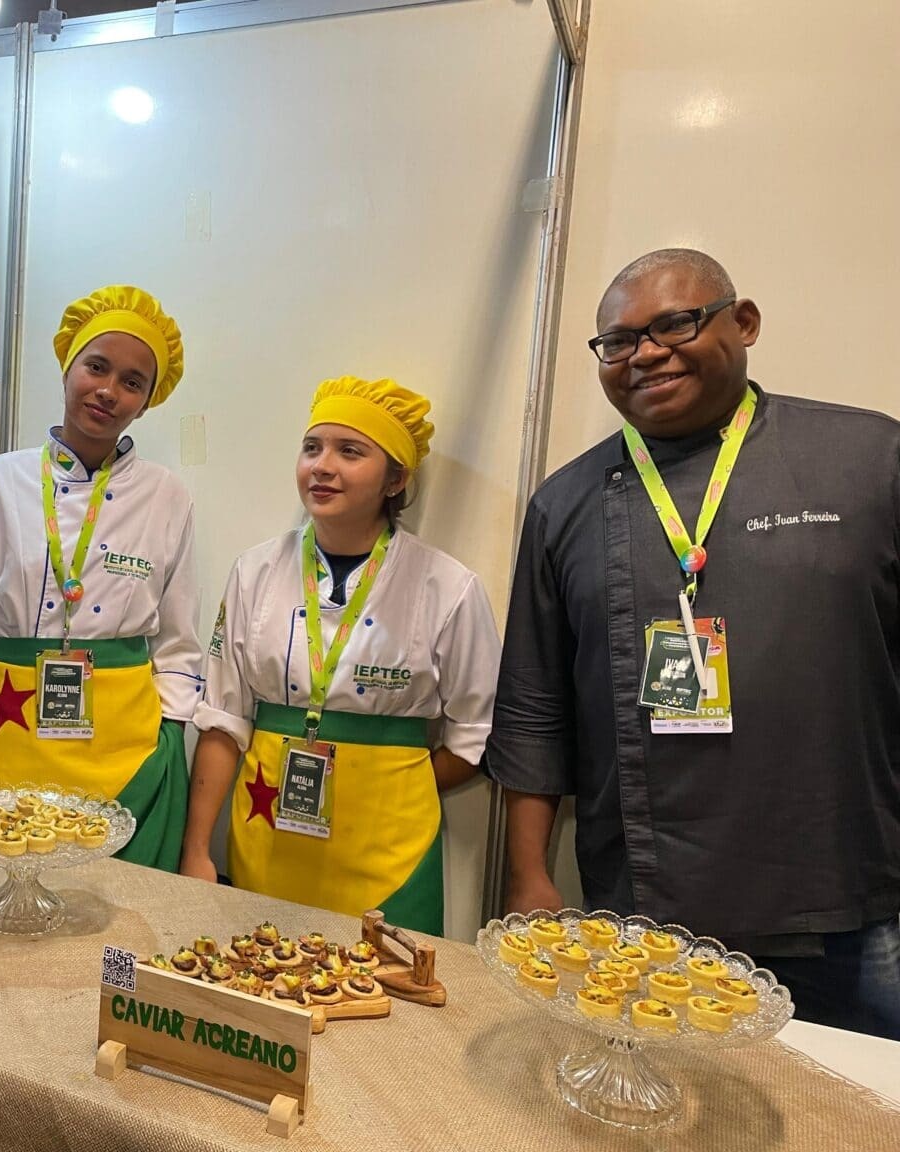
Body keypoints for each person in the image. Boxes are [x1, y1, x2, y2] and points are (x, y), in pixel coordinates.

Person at [487, 248, 900, 1039]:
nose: (645, 353)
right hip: (648, 914)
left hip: (853, 904)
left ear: (744, 324)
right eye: (618, 341)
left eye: (674, 324)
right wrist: (529, 876)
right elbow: (535, 711)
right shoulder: (563, 504)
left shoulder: (868, 461)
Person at [181, 377, 500, 932]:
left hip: (390, 853)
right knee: (261, 970)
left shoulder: (447, 587)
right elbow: (223, 720)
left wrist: (389, 786)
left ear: (396, 479)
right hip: (267, 835)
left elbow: (476, 734)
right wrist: (196, 851)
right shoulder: (254, 572)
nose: (322, 467)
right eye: (312, 447)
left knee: (382, 982)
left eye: (350, 451)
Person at [0, 285, 201, 870]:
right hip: (9, 732)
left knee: (120, 915)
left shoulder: (168, 495)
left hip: (128, 754)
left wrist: (170, 754)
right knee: (5, 903)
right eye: (96, 367)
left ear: (148, 401)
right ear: (68, 365)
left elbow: (179, 646)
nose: (109, 391)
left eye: (132, 382)